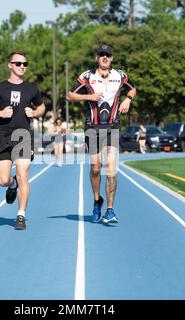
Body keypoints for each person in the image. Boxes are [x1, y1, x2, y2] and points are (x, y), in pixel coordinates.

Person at [67, 44, 137, 224]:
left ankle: (111, 209)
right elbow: (69, 95)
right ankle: (97, 201)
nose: (105, 58)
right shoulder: (87, 76)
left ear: (112, 58)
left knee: (112, 169)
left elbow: (133, 88)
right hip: (93, 127)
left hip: (113, 126)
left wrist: (127, 99)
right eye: (102, 55)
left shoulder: (119, 75)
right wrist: (87, 97)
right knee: (96, 168)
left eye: (108, 55)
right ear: (97, 57)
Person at [0, 51, 46, 230]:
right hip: (3, 134)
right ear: (10, 65)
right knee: (3, 179)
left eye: (25, 64)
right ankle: (12, 186)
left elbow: (42, 106)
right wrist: (0, 113)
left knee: (23, 174)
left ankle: (21, 215)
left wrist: (34, 113)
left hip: (23, 135)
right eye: (18, 63)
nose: (22, 67)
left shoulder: (32, 89)